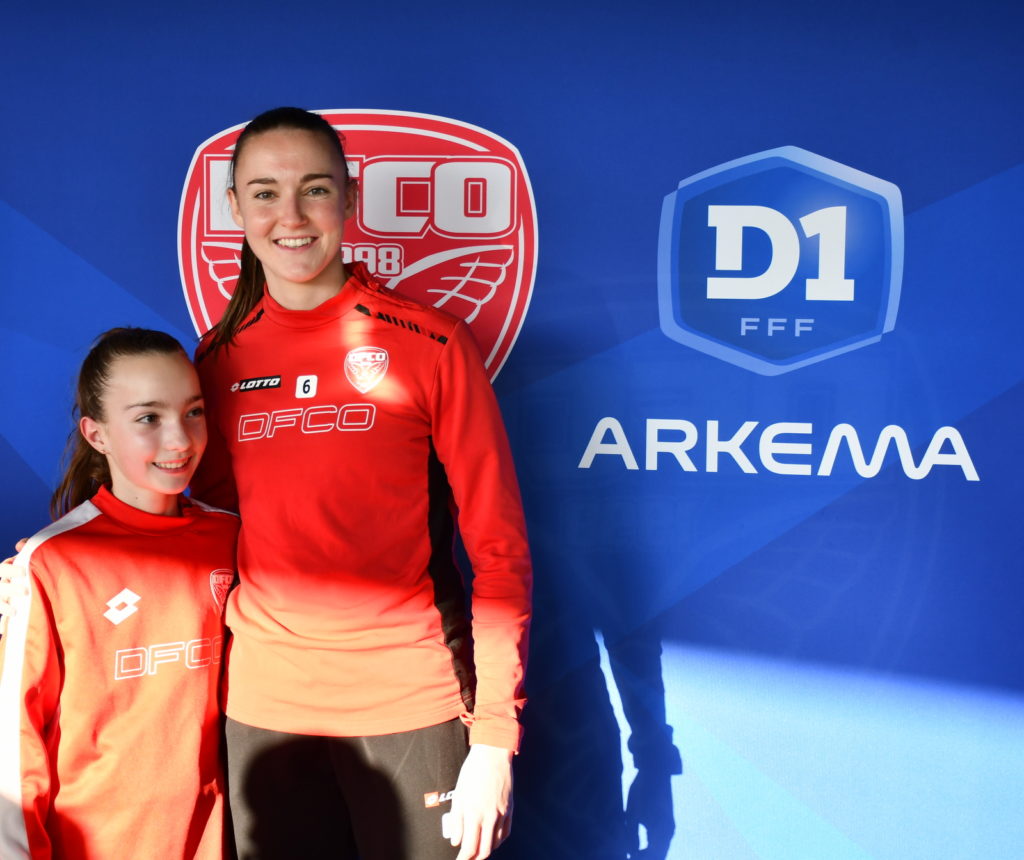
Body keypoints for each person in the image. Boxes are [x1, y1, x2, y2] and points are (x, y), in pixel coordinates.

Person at [191, 107, 532, 860]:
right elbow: (181, 527)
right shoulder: (214, 362)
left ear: (348, 199)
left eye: (314, 189)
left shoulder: (431, 343)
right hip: (264, 709)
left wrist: (493, 740)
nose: (290, 216)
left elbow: (499, 551)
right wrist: (47, 570)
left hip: (411, 699)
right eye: (265, 193)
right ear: (235, 208)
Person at [0, 328, 239, 859]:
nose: (180, 440)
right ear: (97, 434)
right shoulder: (55, 561)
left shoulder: (232, 539)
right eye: (148, 418)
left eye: (194, 412)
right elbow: (15, 737)